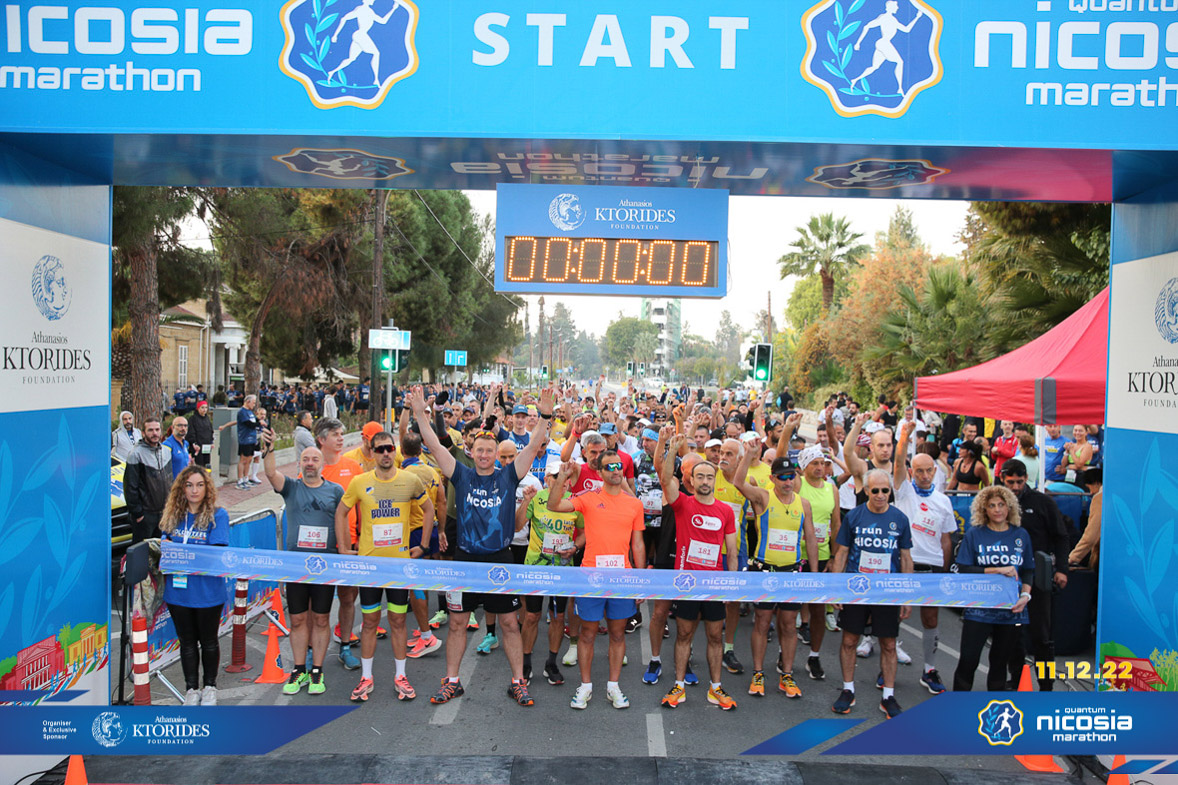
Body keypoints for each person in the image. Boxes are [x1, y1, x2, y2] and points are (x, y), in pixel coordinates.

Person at [409, 385, 554, 708]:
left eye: (490, 450)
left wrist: (545, 416)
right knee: (458, 623)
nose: (485, 455)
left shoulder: (509, 476)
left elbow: (533, 446)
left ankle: (518, 682)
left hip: (500, 560)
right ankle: (452, 682)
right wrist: (420, 413)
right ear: (471, 452)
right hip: (464, 560)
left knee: (509, 624)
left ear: (497, 454)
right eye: (480, 450)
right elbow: (434, 444)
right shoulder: (461, 475)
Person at [334, 430, 433, 703]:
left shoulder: (409, 480)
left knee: (398, 621)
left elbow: (429, 510)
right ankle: (366, 677)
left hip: (398, 568)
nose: (386, 453)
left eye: (389, 448)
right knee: (369, 622)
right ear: (372, 452)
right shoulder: (359, 482)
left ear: (395, 449)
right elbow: (341, 512)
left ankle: (401, 676)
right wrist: (344, 548)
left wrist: (424, 545)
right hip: (370, 569)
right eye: (380, 449)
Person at [549, 450, 646, 710]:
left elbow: (637, 544)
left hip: (622, 579)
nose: (616, 470)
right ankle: (585, 686)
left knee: (617, 634)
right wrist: (563, 477)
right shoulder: (589, 498)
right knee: (587, 633)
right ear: (600, 472)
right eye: (609, 467)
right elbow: (554, 505)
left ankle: (613, 686)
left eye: (619, 466)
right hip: (590, 578)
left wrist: (640, 580)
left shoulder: (634, 504)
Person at [654, 436, 738, 711]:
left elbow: (732, 551)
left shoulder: (725, 511)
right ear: (691, 479)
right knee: (684, 634)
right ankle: (678, 685)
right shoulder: (683, 504)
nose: (704, 481)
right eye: (699, 476)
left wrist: (730, 585)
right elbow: (666, 479)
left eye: (709, 477)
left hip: (714, 583)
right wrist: (670, 450)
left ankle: (716, 687)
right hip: (687, 583)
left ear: (715, 480)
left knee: (715, 636)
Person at [260, 428, 343, 697]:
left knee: (321, 618)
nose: (310, 463)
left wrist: (346, 552)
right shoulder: (292, 488)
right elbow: (270, 473)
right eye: (305, 459)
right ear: (300, 463)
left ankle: (317, 669)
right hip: (296, 566)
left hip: (324, 565)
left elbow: (344, 522)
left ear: (322, 464)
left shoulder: (335, 491)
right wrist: (269, 448)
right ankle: (299, 670)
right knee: (297, 620)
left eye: (314, 459)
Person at [734, 446, 817, 702]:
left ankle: (787, 674)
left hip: (791, 572)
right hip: (765, 570)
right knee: (762, 622)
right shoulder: (763, 497)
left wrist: (815, 575)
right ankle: (758, 673)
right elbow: (738, 483)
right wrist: (749, 456)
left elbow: (811, 540)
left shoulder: (804, 504)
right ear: (773, 478)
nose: (788, 481)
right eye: (782, 477)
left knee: (789, 625)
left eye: (791, 476)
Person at [831, 470, 913, 719]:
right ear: (866, 490)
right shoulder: (854, 516)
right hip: (857, 590)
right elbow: (842, 553)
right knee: (849, 641)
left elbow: (906, 557)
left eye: (885, 490)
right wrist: (837, 590)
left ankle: (888, 695)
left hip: (887, 592)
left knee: (888, 644)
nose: (880, 495)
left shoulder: (900, 519)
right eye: (875, 490)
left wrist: (906, 596)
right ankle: (848, 690)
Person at [894, 422, 957, 695]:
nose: (924, 475)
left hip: (931, 568)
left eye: (928, 470)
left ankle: (929, 670)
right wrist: (904, 437)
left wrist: (944, 571)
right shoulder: (903, 491)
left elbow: (946, 539)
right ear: (911, 472)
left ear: (935, 471)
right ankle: (887, 668)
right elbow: (898, 462)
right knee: (894, 617)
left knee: (930, 621)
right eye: (918, 470)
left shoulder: (943, 501)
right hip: (904, 564)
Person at [951, 485, 1033, 691]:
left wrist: (1025, 596)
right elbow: (963, 569)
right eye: (992, 506)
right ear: (984, 509)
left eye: (1001, 505)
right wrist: (997, 570)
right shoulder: (974, 534)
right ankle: (958, 705)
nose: (997, 510)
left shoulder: (1021, 534)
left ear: (1009, 507)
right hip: (979, 609)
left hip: (1010, 610)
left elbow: (1028, 570)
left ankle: (995, 706)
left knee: (999, 663)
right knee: (968, 660)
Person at [159, 464, 229, 705]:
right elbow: (164, 544)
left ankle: (210, 686)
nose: (194, 490)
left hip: (208, 592)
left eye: (199, 485)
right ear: (182, 489)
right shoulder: (174, 514)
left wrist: (182, 552)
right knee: (187, 642)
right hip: (178, 592)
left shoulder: (218, 515)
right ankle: (191, 689)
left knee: (208, 641)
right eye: (189, 485)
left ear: (207, 488)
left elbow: (215, 553)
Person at [998, 459, 1069, 691]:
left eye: (1020, 482)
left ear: (1026, 478)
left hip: (1038, 577)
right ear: (1002, 479)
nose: (1016, 487)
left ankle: (1046, 685)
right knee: (1012, 633)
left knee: (1042, 635)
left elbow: (1061, 536)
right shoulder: (996, 503)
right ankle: (1016, 679)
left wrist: (1062, 569)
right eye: (1011, 482)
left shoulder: (1042, 502)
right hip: (1008, 578)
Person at [519, 457, 582, 686]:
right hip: (536, 567)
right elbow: (517, 526)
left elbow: (584, 532)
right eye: (557, 476)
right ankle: (525, 664)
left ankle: (551, 663)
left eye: (566, 476)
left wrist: (575, 547)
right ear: (547, 479)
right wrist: (525, 502)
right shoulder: (536, 497)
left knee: (558, 617)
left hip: (562, 569)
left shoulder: (575, 501)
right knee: (532, 616)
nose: (563, 480)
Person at [313, 417, 365, 670]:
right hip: (320, 546)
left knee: (348, 597)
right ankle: (312, 651)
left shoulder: (353, 467)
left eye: (342, 433)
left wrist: (362, 536)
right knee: (316, 604)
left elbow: (362, 505)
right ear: (322, 440)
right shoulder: (312, 468)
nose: (341, 438)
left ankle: (345, 645)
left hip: (350, 542)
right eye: (335, 434)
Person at [398, 431, 447, 659]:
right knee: (422, 583)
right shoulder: (432, 471)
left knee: (415, 584)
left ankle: (426, 636)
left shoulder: (403, 474)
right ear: (420, 450)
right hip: (432, 529)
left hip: (413, 533)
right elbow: (441, 502)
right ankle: (423, 628)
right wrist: (441, 530)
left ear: (402, 451)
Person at [795, 444, 841, 682]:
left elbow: (836, 523)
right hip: (795, 553)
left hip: (822, 554)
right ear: (804, 467)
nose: (820, 467)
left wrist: (834, 557)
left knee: (818, 609)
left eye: (823, 463)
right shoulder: (798, 484)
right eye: (815, 463)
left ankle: (814, 655)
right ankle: (784, 653)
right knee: (788, 609)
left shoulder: (832, 488)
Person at [123, 417, 173, 543]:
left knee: (162, 550)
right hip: (146, 515)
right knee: (142, 551)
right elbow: (130, 487)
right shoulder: (136, 454)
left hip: (164, 513)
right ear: (143, 433)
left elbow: (170, 481)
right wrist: (138, 514)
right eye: (150, 430)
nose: (154, 433)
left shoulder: (166, 452)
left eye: (157, 429)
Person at [218, 394, 260, 490]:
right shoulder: (242, 412)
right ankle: (240, 480)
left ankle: (246, 478)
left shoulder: (250, 412)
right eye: (253, 403)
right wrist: (259, 423)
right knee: (243, 459)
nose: (254, 405)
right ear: (248, 402)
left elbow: (255, 421)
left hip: (252, 438)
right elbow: (249, 424)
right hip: (245, 439)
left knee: (249, 459)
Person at [1068, 469, 1103, 570]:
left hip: (1103, 556)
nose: (1091, 492)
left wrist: (1073, 557)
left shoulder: (1099, 499)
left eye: (1089, 487)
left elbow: (1091, 535)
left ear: (1097, 483)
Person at [188, 401, 215, 470]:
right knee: (199, 465)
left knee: (207, 464)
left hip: (206, 445)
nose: (204, 410)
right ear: (198, 408)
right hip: (198, 446)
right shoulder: (193, 419)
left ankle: (207, 475)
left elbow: (210, 431)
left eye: (206, 408)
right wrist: (194, 443)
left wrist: (211, 442)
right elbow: (191, 432)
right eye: (202, 407)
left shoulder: (207, 418)